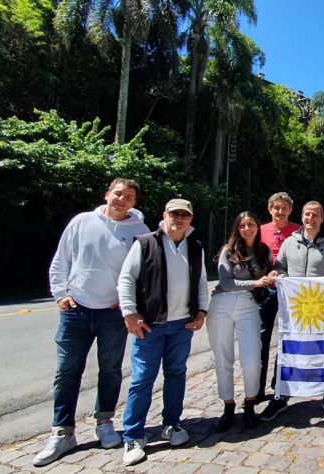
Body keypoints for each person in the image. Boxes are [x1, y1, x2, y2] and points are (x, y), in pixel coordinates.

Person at [34, 178, 150, 467]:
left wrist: (128, 303)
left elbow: (145, 273)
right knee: (67, 372)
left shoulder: (140, 231)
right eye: (118, 194)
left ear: (134, 202)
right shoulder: (82, 222)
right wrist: (60, 294)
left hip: (113, 313)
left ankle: (105, 423)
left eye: (129, 196)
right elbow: (62, 259)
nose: (122, 199)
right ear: (107, 194)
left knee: (110, 371)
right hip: (76, 310)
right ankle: (62, 432)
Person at [116, 198, 210, 466]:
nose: (179, 219)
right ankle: (133, 435)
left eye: (184, 215)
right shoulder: (145, 243)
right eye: (174, 214)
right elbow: (127, 278)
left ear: (190, 219)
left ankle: (172, 423)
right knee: (143, 378)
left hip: (182, 325)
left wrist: (201, 311)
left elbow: (201, 282)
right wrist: (130, 313)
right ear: (164, 215)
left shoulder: (195, 247)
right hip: (151, 324)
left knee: (176, 374)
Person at [259, 200, 324, 421]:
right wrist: (277, 275)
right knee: (288, 348)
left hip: (321, 308)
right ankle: (281, 394)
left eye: (315, 215)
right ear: (302, 216)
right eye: (307, 214)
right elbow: (279, 267)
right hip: (294, 309)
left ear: (322, 218)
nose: (311, 218)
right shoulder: (290, 243)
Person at [207, 211, 276, 432]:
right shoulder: (228, 251)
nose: (247, 229)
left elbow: (270, 276)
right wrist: (256, 283)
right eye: (242, 225)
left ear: (257, 227)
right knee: (223, 358)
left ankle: (249, 404)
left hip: (249, 306)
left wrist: (275, 277)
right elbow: (226, 283)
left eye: (251, 225)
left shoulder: (264, 251)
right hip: (222, 304)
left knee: (251, 359)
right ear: (237, 229)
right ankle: (228, 406)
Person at [257, 192, 301, 399]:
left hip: (289, 291)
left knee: (286, 337)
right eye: (276, 208)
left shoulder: (298, 232)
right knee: (261, 337)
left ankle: (279, 383)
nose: (280, 211)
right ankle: (257, 386)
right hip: (265, 289)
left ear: (290, 210)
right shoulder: (260, 230)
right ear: (269, 209)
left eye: (284, 208)